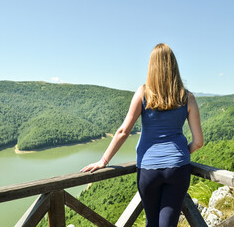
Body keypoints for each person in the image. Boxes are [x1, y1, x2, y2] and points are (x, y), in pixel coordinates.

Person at [81, 43, 203, 227]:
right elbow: (199, 142)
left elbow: (123, 131)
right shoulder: (188, 97)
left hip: (148, 170)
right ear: (174, 66)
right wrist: (179, 154)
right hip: (178, 169)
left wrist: (103, 161)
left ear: (151, 66)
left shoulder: (143, 93)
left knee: (151, 223)